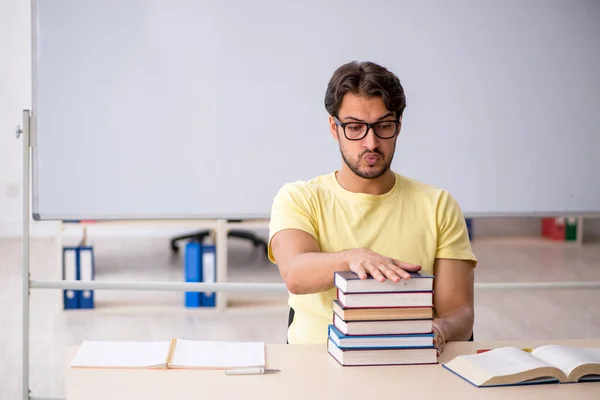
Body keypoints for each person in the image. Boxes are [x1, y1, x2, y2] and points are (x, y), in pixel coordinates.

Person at [267, 61, 477, 354]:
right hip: (316, 367)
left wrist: (441, 329)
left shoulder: (438, 205)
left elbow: (460, 312)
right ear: (334, 127)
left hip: (411, 361)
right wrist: (353, 258)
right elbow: (295, 274)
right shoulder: (299, 197)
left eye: (384, 126)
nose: (371, 142)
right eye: (355, 128)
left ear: (398, 126)